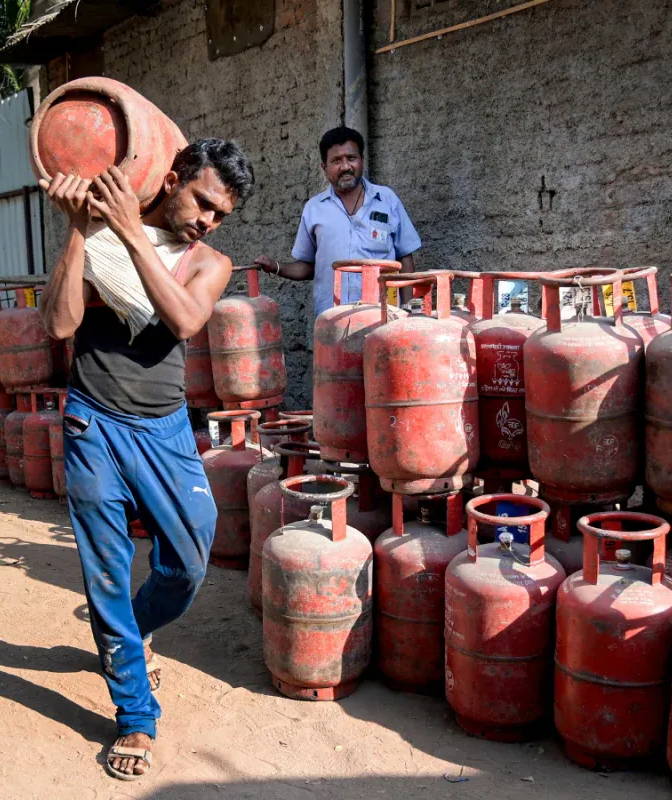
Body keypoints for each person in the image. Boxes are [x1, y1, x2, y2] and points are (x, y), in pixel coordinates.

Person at [39, 139, 254, 781]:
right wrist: (80, 232)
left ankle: (129, 637)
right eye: (204, 202)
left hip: (163, 430)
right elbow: (57, 325)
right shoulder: (99, 236)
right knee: (104, 570)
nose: (208, 219)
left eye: (221, 213)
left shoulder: (208, 259)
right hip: (91, 421)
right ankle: (135, 713)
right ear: (173, 176)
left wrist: (134, 235)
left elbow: (186, 318)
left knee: (189, 560)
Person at [254, 126, 422, 316]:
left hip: (383, 315)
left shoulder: (387, 200)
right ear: (324, 168)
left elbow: (404, 258)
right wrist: (276, 267)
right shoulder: (314, 209)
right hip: (333, 320)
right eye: (336, 161)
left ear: (362, 161)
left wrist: (409, 310)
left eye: (351, 158)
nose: (345, 166)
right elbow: (309, 267)